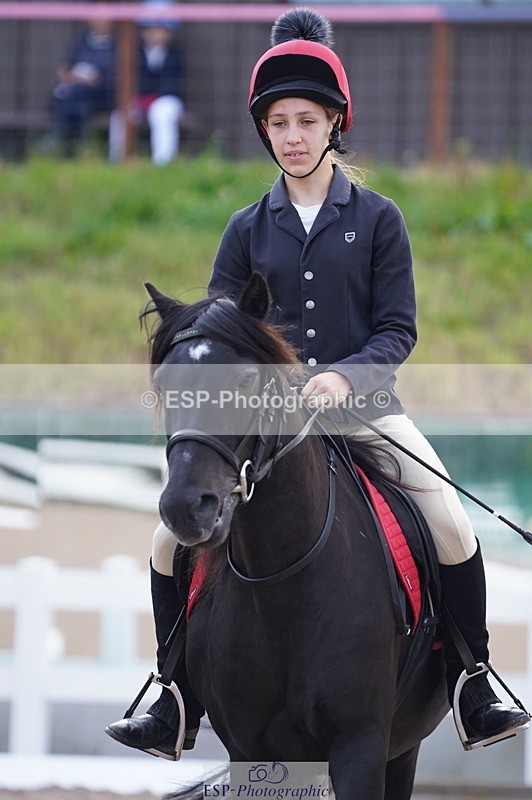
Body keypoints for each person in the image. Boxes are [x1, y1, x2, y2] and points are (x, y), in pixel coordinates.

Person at [106, 8, 530, 758]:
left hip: (364, 410)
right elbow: (220, 327)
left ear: (335, 124)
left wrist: (342, 377)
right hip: (266, 425)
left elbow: (398, 330)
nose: (293, 135)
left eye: (307, 119)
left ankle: (473, 677)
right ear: (264, 131)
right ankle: (173, 694)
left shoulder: (378, 219)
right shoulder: (246, 227)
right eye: (278, 122)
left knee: (452, 525)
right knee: (168, 538)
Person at [109, 0, 184, 165]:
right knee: (121, 114)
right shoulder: (134, 52)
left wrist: (155, 97)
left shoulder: (175, 54)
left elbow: (173, 85)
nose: (154, 33)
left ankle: (163, 163)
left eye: (159, 29)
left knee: (162, 113)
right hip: (140, 99)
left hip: (166, 100)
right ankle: (117, 160)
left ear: (169, 31)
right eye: (149, 28)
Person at [50, 1, 116, 157]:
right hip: (78, 95)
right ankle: (81, 145)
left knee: (74, 97)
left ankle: (61, 141)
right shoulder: (80, 41)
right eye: (96, 14)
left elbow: (118, 77)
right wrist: (68, 74)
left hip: (104, 96)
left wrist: (95, 79)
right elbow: (67, 65)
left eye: (104, 14)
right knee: (76, 98)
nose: (100, 19)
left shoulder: (119, 44)